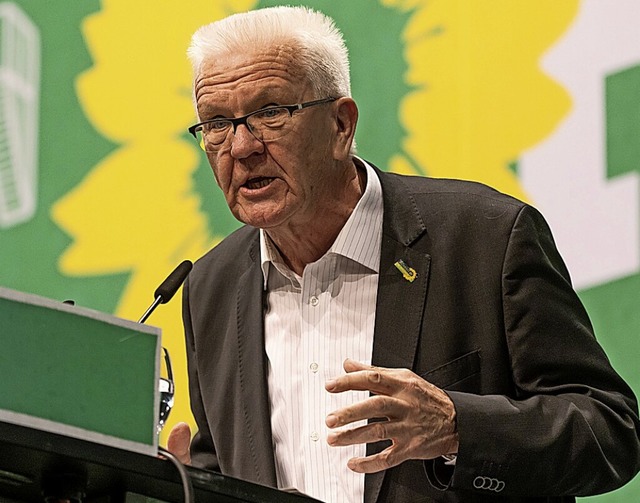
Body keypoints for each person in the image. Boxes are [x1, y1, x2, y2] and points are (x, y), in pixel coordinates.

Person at [167, 5, 640, 502]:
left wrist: (458, 426)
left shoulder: (485, 237)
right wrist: (172, 486)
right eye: (216, 123)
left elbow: (611, 431)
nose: (240, 147)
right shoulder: (209, 286)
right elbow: (224, 464)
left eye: (269, 113)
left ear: (340, 126)